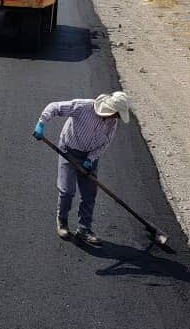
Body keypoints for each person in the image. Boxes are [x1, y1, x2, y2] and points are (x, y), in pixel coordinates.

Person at [33, 92, 131, 246]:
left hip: (89, 157)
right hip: (68, 151)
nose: (117, 118)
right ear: (110, 109)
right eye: (117, 114)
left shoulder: (112, 122)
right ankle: (62, 220)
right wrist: (42, 122)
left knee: (89, 193)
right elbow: (54, 107)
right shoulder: (83, 107)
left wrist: (90, 159)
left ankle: (84, 229)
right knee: (67, 191)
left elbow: (105, 143)